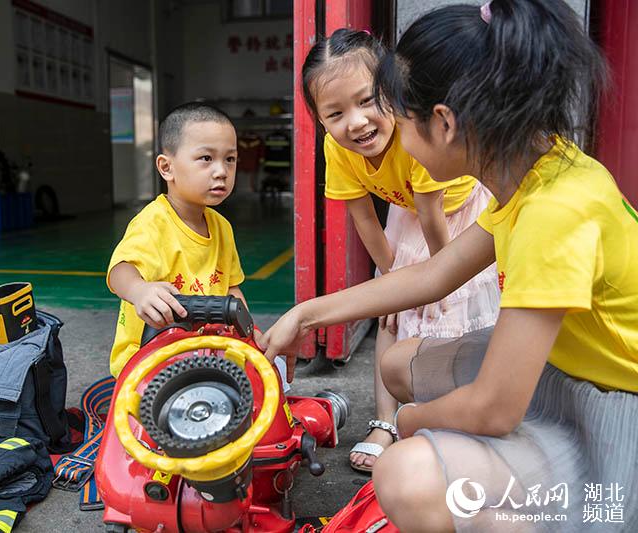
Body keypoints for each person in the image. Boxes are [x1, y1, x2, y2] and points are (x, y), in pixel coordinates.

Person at [261, 1, 637, 530]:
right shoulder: (536, 167)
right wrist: (306, 315)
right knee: (398, 364)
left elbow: (493, 410)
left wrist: (412, 422)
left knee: (406, 475)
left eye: (398, 114)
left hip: (611, 408)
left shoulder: (556, 214)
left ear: (443, 124)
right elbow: (434, 275)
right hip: (563, 366)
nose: (390, 131)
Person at [301, 28, 499, 472]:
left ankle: (458, 417)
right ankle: (385, 423)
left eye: (368, 100)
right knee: (391, 316)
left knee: (456, 313)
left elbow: (435, 220)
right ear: (320, 120)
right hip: (407, 213)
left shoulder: (415, 135)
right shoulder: (338, 149)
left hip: (456, 215)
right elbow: (364, 218)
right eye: (335, 113)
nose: (355, 122)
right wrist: (392, 281)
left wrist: (439, 286)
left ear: (392, 91)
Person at [107, 102, 287, 385]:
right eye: (206, 158)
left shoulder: (221, 226)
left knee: (270, 380)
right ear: (167, 167)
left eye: (230, 159)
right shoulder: (153, 223)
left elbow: (231, 289)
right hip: (149, 359)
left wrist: (252, 336)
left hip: (206, 352)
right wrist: (139, 290)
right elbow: (120, 271)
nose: (221, 171)